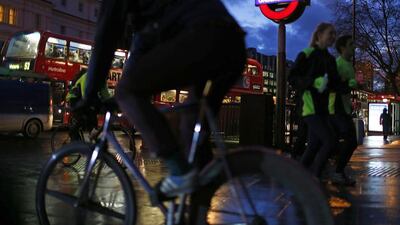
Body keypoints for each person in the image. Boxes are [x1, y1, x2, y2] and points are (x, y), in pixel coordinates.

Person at [77, 0, 246, 201]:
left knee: (127, 91)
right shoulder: (154, 10)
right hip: (233, 42)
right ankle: (198, 204)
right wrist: (120, 99)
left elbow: (106, 36)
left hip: (203, 36)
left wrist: (90, 96)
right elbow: (140, 50)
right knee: (191, 134)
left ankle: (180, 173)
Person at [289, 23, 345, 179]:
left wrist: (347, 84)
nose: (333, 37)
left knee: (314, 145)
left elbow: (334, 84)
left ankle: (297, 178)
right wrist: (312, 82)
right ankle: (314, 178)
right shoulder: (306, 54)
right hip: (309, 107)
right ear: (319, 35)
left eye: (335, 34)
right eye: (330, 33)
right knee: (330, 141)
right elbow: (292, 78)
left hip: (323, 109)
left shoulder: (330, 59)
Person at [329, 35, 358, 186]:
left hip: (343, 108)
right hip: (336, 108)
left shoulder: (348, 64)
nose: (354, 47)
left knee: (335, 142)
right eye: (351, 44)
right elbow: (333, 86)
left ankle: (335, 170)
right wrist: (350, 83)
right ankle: (337, 172)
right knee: (351, 141)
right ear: (342, 48)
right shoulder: (339, 64)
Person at [66, 69, 111, 141]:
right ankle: (74, 134)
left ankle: (92, 131)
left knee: (96, 108)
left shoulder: (102, 81)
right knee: (84, 114)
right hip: (74, 99)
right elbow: (85, 94)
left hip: (85, 98)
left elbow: (106, 96)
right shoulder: (87, 77)